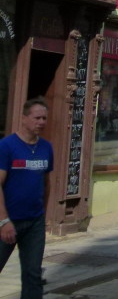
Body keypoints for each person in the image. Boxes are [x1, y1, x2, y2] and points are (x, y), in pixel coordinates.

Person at [0, 98, 53, 299]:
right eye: (37, 117)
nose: (41, 122)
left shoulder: (46, 148)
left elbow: (46, 183)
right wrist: (3, 221)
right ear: (24, 119)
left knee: (33, 273)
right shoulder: (6, 146)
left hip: (34, 222)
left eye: (44, 118)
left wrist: (43, 216)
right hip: (7, 221)